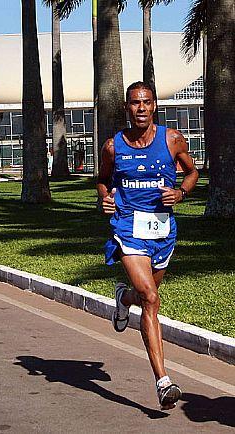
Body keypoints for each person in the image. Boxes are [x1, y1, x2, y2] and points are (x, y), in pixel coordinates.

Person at [97, 81, 199, 410]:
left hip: (162, 230)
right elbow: (102, 180)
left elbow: (192, 171)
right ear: (126, 108)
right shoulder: (113, 146)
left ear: (154, 106)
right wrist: (105, 198)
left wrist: (181, 193)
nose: (141, 108)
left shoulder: (172, 140)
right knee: (152, 299)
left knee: (142, 296)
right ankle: (163, 381)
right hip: (128, 227)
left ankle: (122, 298)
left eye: (146, 102)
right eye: (134, 103)